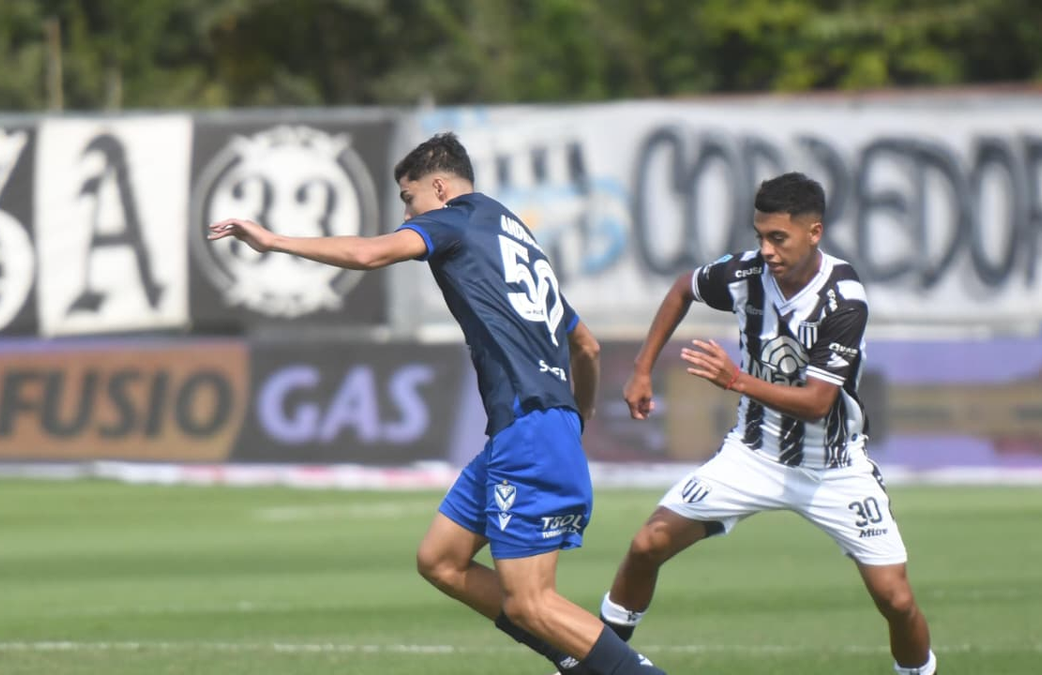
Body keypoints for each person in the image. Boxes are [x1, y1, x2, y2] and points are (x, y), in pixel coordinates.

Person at [207, 132, 666, 675]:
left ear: (440, 186)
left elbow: (367, 253)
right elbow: (584, 345)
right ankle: (574, 656)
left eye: (409, 198)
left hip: (530, 430)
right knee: (441, 561)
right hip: (532, 429)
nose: (407, 213)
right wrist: (577, 417)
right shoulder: (509, 234)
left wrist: (275, 241)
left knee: (531, 602)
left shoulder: (456, 218)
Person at [596, 172, 938, 675]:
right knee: (647, 544)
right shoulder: (746, 273)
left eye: (778, 238)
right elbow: (681, 289)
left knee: (897, 599)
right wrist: (642, 369)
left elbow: (818, 403)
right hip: (752, 455)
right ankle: (597, 664)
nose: (767, 249)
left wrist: (736, 380)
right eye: (760, 235)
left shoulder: (843, 301)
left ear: (814, 232)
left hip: (834, 468)